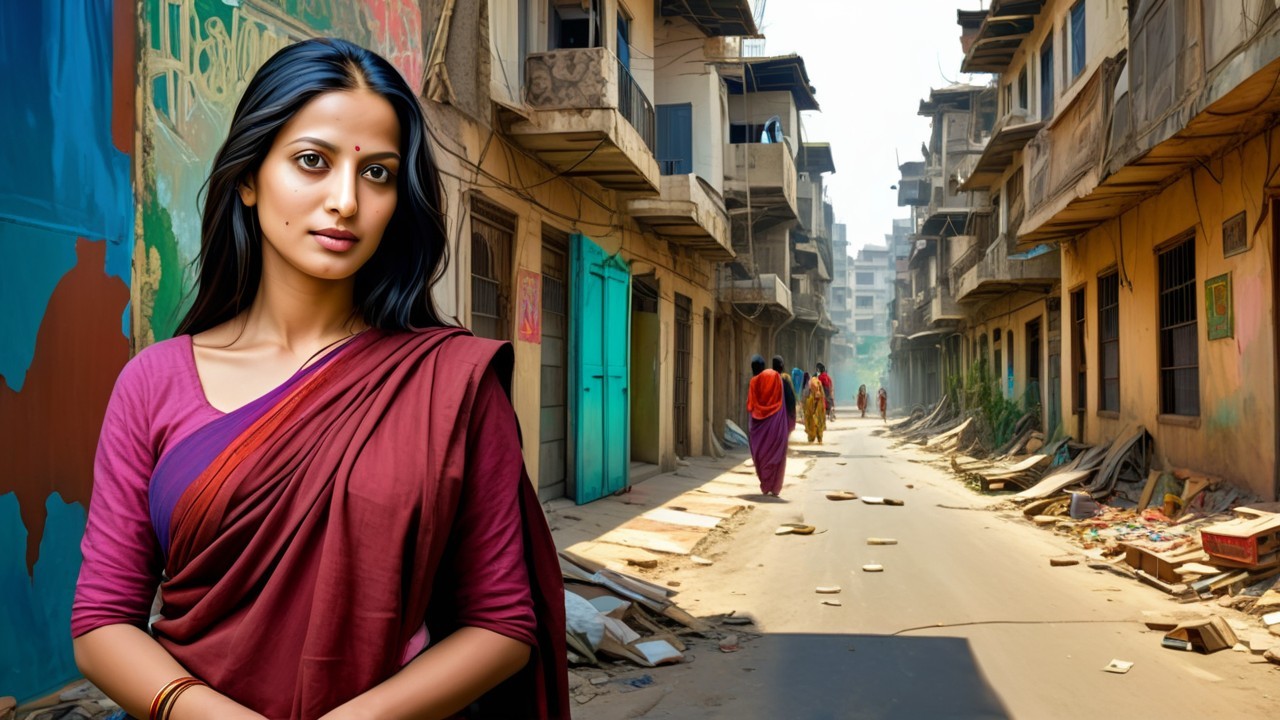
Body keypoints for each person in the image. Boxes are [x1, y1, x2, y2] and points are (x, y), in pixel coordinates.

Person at [70, 38, 568, 720]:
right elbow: (102, 621)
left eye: (379, 174)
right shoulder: (152, 382)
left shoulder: (449, 382)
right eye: (312, 161)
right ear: (249, 177)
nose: (345, 200)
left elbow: (503, 623)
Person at [747, 355, 788, 497]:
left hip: (758, 427)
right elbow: (784, 400)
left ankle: (765, 484)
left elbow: (751, 405)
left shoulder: (754, 382)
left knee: (761, 455)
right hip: (776, 425)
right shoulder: (776, 377)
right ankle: (775, 487)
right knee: (777, 454)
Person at [773, 355, 797, 434]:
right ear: (782, 367)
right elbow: (791, 400)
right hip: (782, 419)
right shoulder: (784, 382)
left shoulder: (767, 380)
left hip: (769, 420)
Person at [803, 375, 827, 444]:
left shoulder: (813, 387)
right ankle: (819, 439)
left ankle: (812, 439)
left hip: (813, 409)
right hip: (818, 409)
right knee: (819, 422)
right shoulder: (819, 388)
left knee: (812, 423)